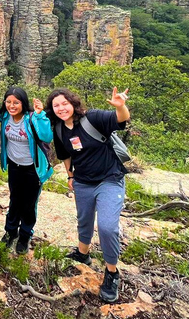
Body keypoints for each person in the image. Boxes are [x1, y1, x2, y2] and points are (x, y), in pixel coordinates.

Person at [46, 87, 130, 303]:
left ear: (73, 103)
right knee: (84, 220)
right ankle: (83, 253)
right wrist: (70, 176)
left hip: (109, 179)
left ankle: (111, 272)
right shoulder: (59, 128)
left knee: (107, 227)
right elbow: (65, 154)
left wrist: (120, 106)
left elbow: (120, 120)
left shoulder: (92, 118)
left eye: (64, 103)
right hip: (82, 181)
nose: (61, 108)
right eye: (56, 105)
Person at [0, 86, 54, 255]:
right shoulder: (5, 117)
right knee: (15, 200)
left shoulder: (31, 118)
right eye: (8, 102)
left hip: (33, 169)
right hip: (14, 167)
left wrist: (40, 116)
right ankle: (11, 232)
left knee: (29, 204)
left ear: (23, 103)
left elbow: (47, 137)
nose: (12, 105)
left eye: (16, 102)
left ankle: (25, 235)